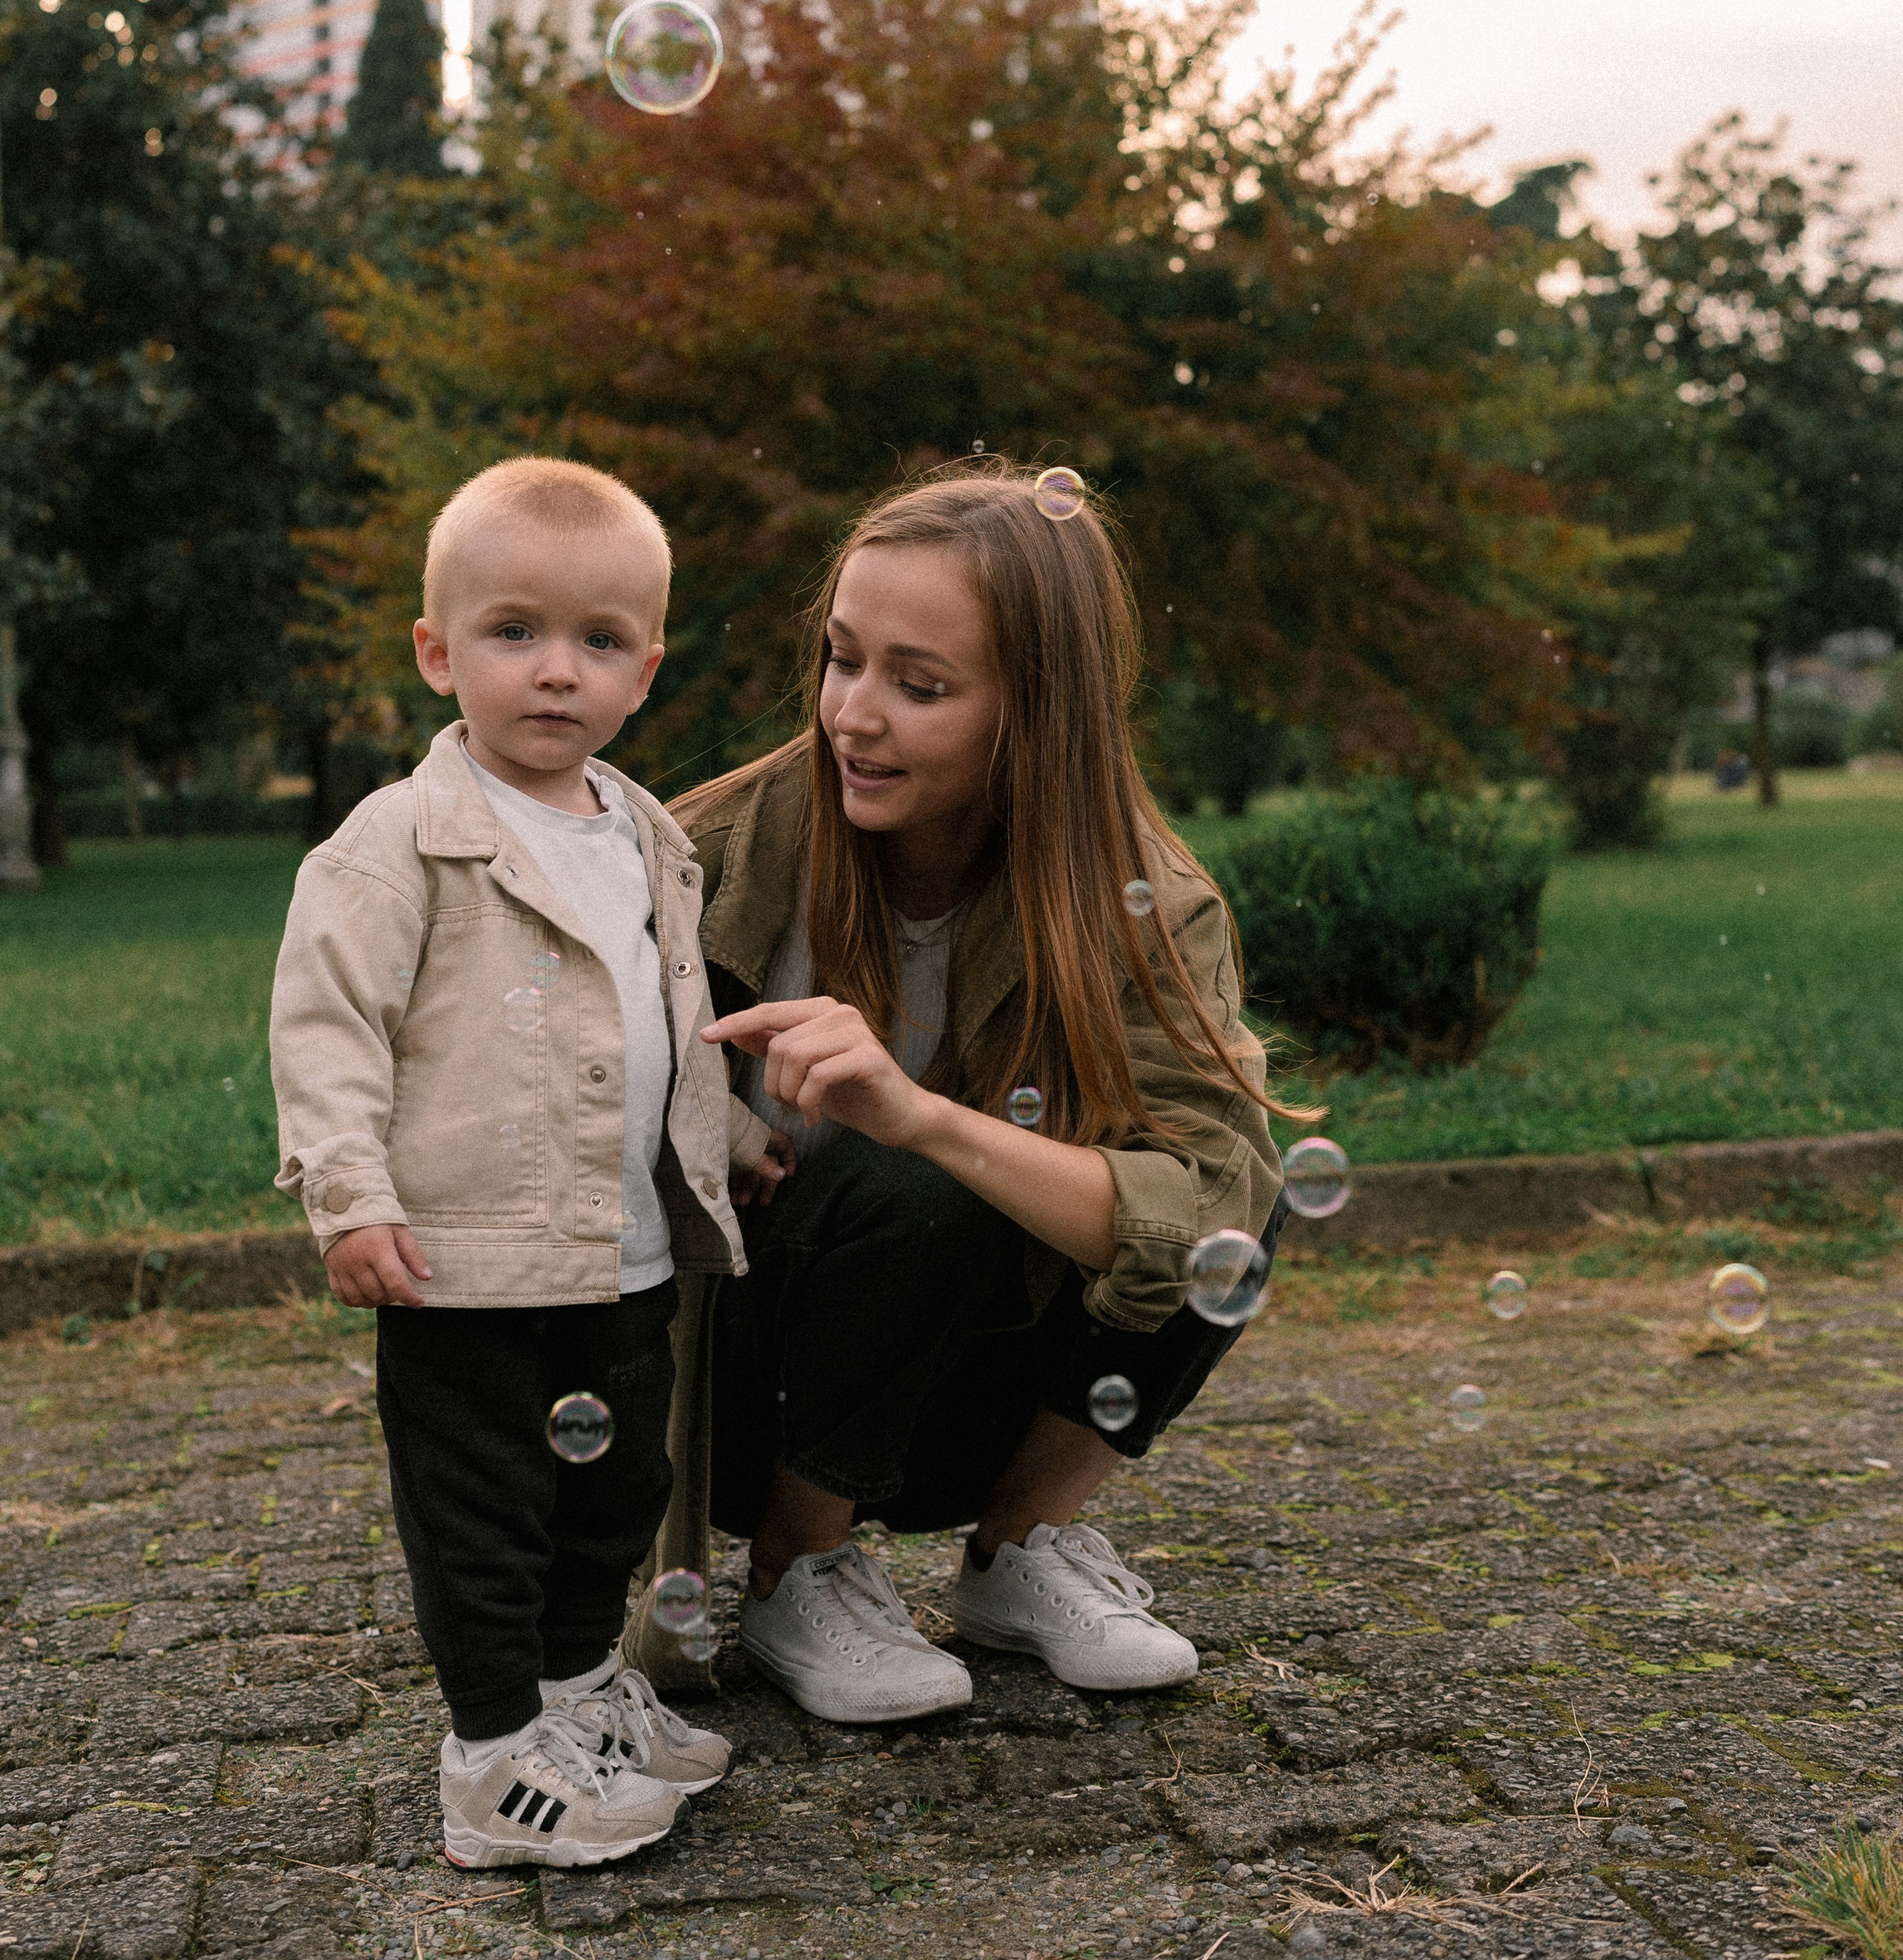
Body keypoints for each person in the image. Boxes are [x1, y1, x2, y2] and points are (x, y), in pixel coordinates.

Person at [623, 466, 1302, 1724]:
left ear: (1035, 715)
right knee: (900, 1179)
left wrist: (925, 1114)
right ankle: (795, 1569)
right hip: (730, 1389)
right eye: (842, 660)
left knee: (1236, 1195)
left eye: (920, 686)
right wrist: (698, 1108)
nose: (853, 716)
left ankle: (1016, 1553)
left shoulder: (1147, 905)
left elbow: (1203, 1199)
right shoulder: (692, 857)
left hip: (964, 1393)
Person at [268, 456, 788, 1866]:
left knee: (609, 1499)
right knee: (485, 1514)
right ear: (439, 651)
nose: (557, 672)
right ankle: (495, 1763)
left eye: (599, 641)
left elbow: (665, 1017)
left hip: (618, 1258)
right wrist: (350, 1197)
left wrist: (728, 1134)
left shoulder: (647, 834)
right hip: (467, 1265)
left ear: (646, 670)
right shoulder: (404, 844)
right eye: (515, 633)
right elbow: (328, 1026)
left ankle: (577, 1697)